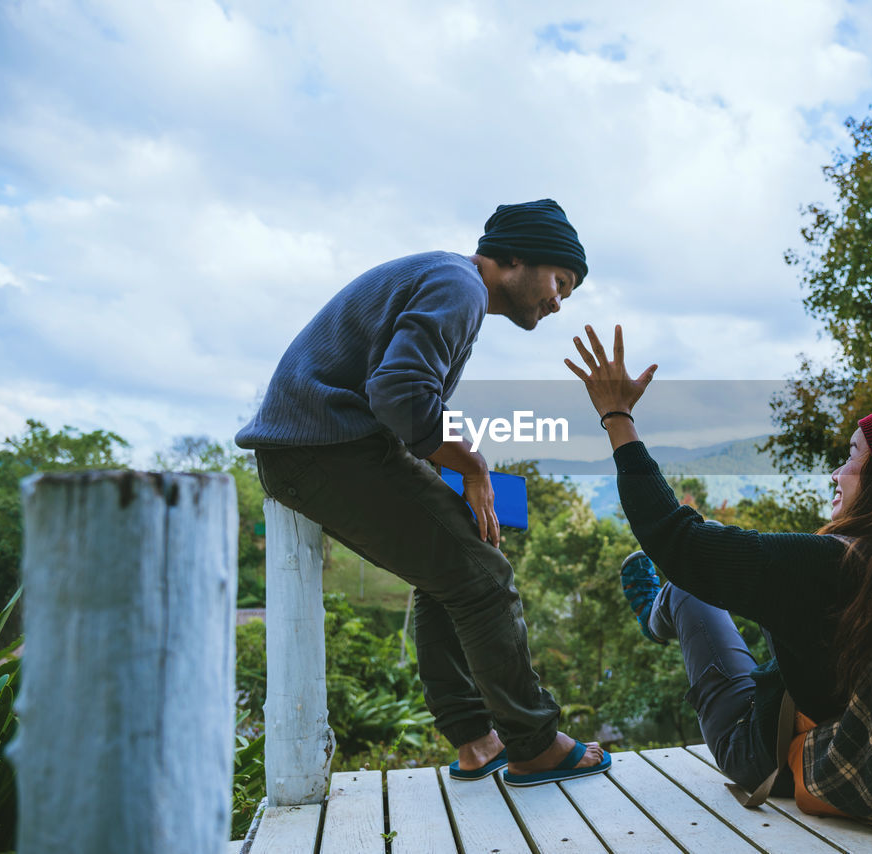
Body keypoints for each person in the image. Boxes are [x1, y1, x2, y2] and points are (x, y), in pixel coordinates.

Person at [565, 324, 872, 817]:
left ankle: (655, 611)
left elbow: (679, 541)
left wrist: (617, 418)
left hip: (783, 757)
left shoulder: (824, 567)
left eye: (852, 457)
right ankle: (662, 607)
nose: (837, 472)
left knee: (685, 587)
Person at [236, 199, 609, 787]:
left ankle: (478, 743)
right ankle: (533, 743)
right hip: (323, 449)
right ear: (514, 258)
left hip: (331, 445)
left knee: (458, 569)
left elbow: (407, 400)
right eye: (560, 281)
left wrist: (449, 470)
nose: (559, 301)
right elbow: (401, 394)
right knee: (486, 580)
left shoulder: (450, 282)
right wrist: (473, 465)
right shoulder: (459, 286)